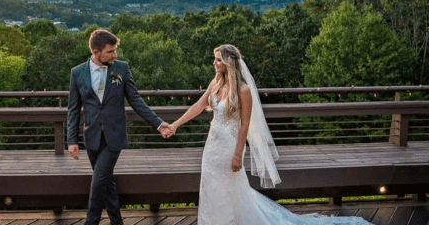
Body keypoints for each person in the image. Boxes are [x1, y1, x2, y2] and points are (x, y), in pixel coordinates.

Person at [164, 44, 372, 224]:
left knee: (229, 190)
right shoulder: (215, 83)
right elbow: (198, 106)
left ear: (228, 62)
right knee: (210, 187)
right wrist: (175, 125)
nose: (214, 63)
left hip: (229, 148)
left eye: (218, 60)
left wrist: (238, 156)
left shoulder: (243, 91)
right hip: (212, 147)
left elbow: (245, 125)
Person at [67, 29, 172, 225]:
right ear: (95, 51)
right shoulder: (77, 72)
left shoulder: (121, 69)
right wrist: (71, 140)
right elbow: (73, 109)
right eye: (110, 51)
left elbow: (136, 100)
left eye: (115, 50)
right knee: (107, 184)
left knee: (98, 183)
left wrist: (158, 123)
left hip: (114, 137)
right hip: (92, 137)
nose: (115, 55)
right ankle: (117, 222)